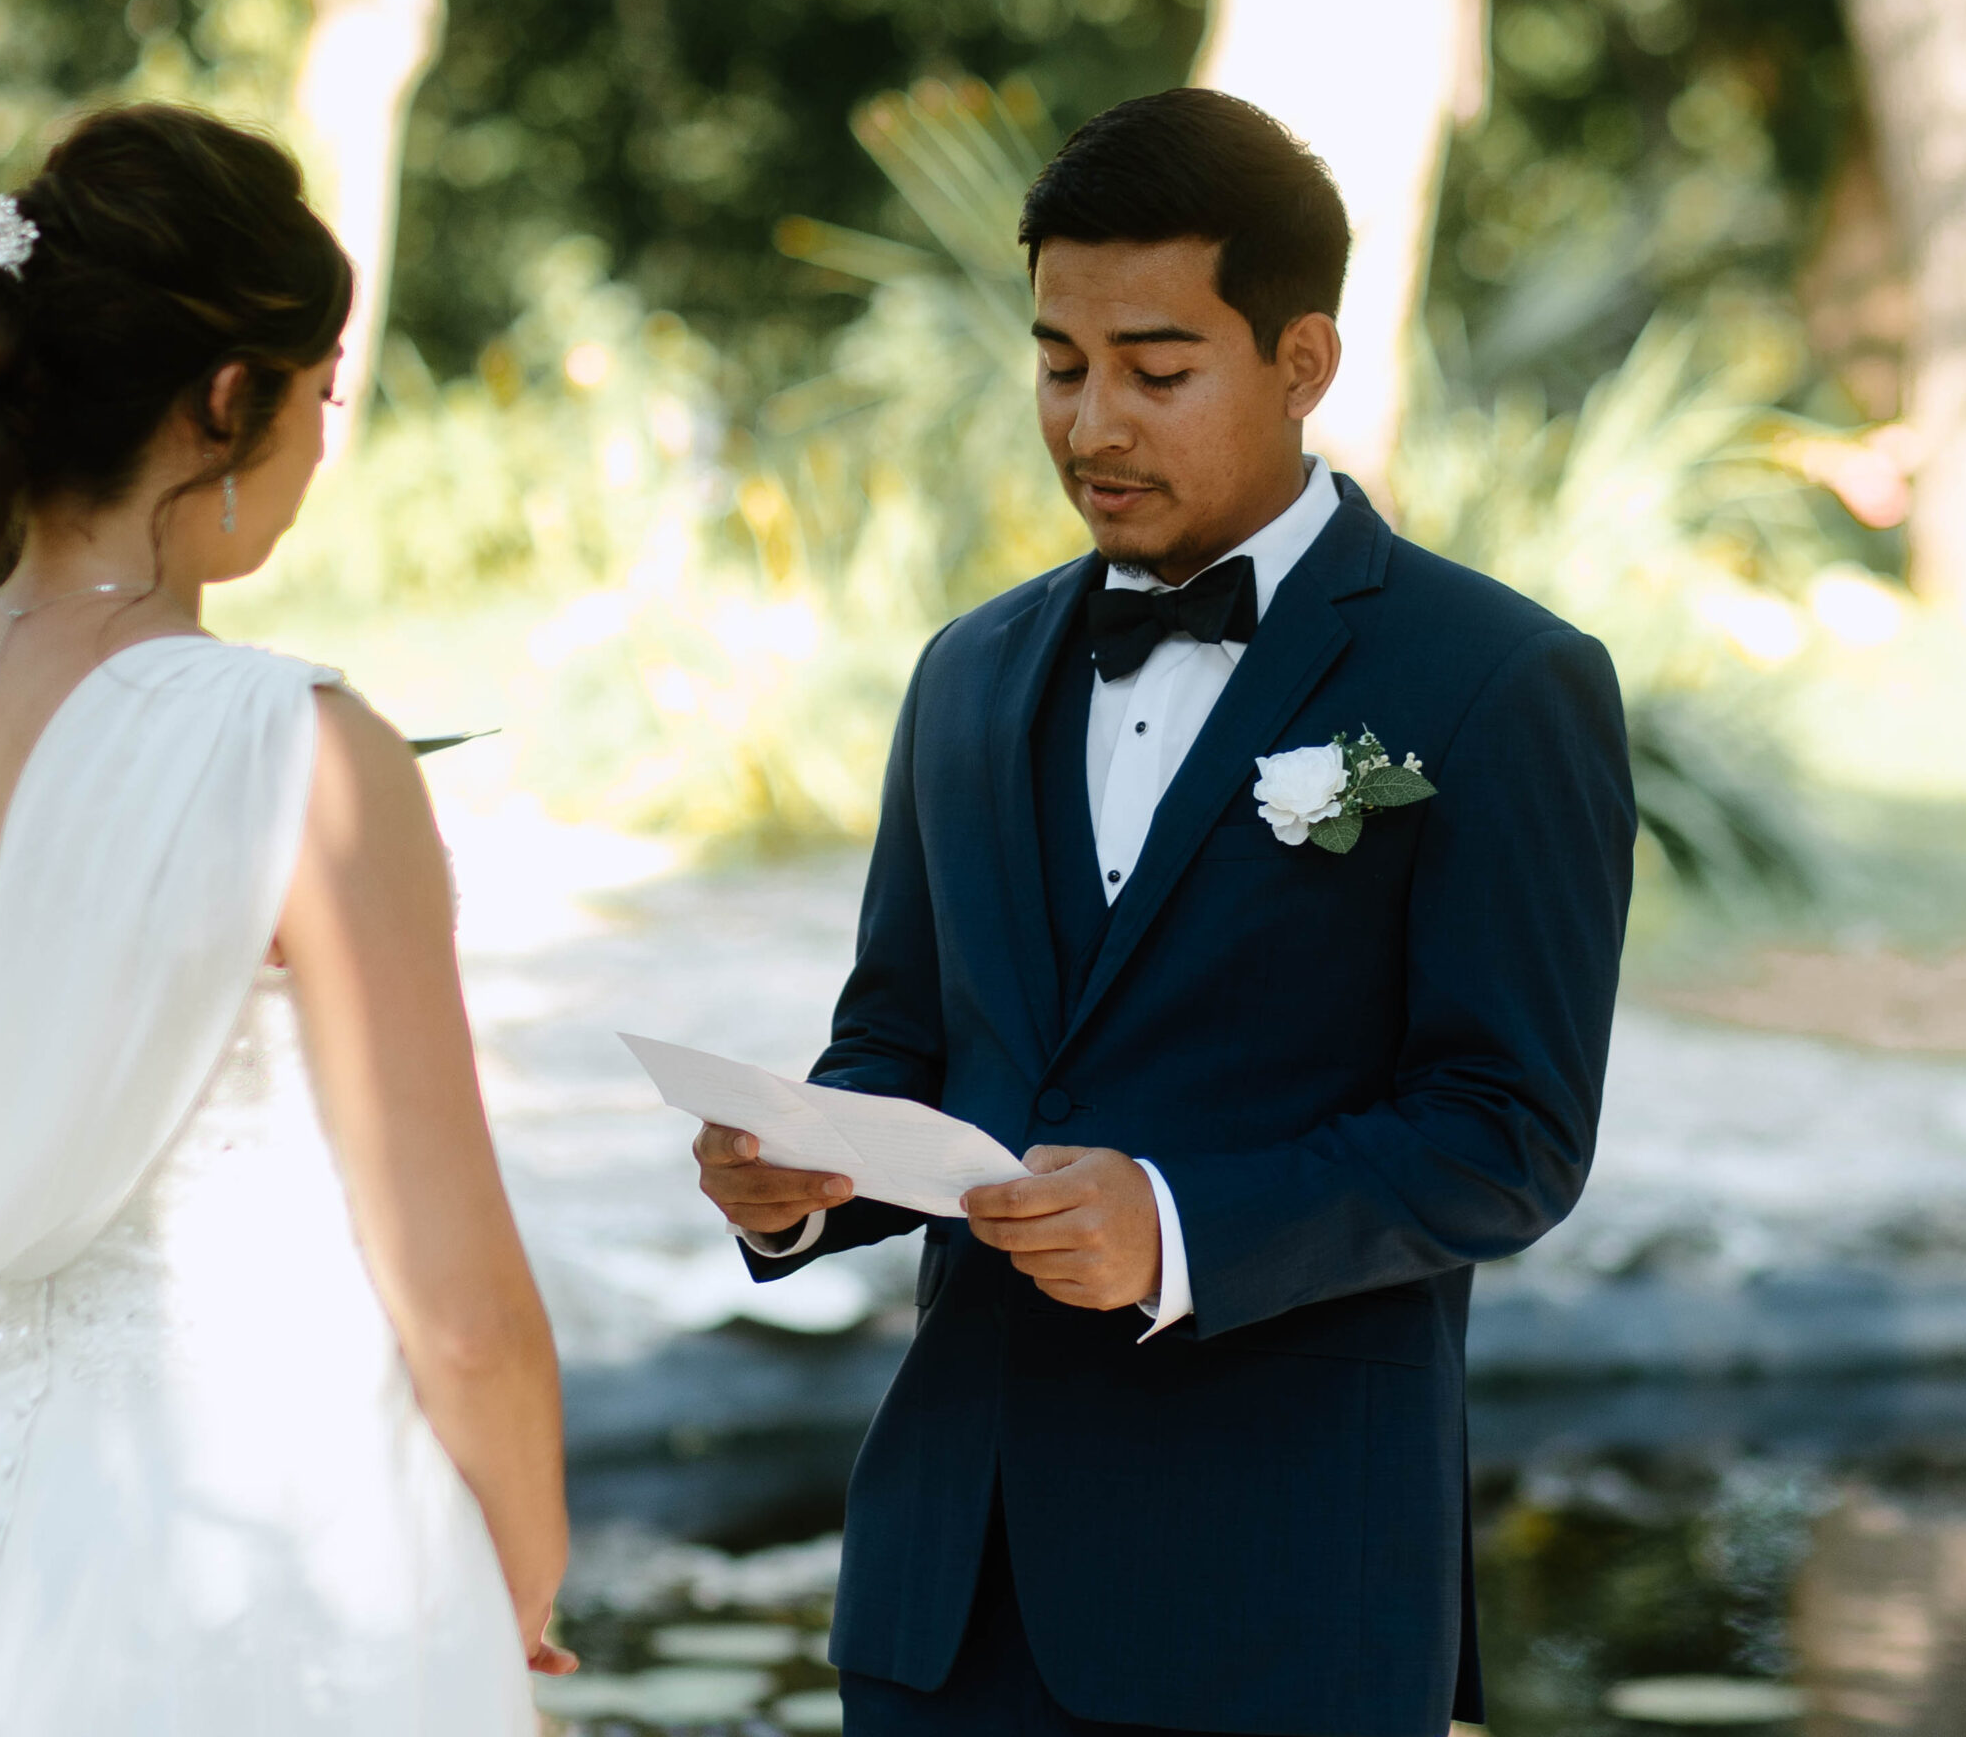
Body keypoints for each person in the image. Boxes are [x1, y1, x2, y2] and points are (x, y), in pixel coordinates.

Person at [694, 89, 1637, 1736]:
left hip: (1282, 1608)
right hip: (943, 1596)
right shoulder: (968, 675)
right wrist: (802, 1176)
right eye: (1060, 366)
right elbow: (904, 1034)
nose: (1092, 425)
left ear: (1303, 360)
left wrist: (1178, 1227)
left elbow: (1509, 1134)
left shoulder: (1498, 683)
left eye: (1157, 369)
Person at [0, 102, 571, 1735]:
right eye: (320, 395)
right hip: (284, 1554)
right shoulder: (292, 746)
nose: (319, 440)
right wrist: (519, 1572)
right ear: (229, 402)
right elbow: (461, 1301)